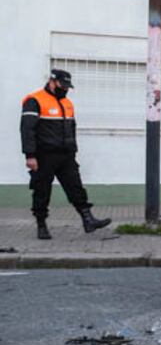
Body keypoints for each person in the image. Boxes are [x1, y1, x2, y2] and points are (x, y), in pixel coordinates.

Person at [20, 69, 111, 239]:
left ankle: (88, 220)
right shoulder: (34, 100)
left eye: (68, 86)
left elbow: (72, 129)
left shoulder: (67, 103)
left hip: (66, 155)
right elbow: (27, 130)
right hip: (44, 156)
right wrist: (30, 155)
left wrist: (73, 151)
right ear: (52, 81)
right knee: (42, 191)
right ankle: (41, 225)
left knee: (76, 187)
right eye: (62, 85)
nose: (65, 89)